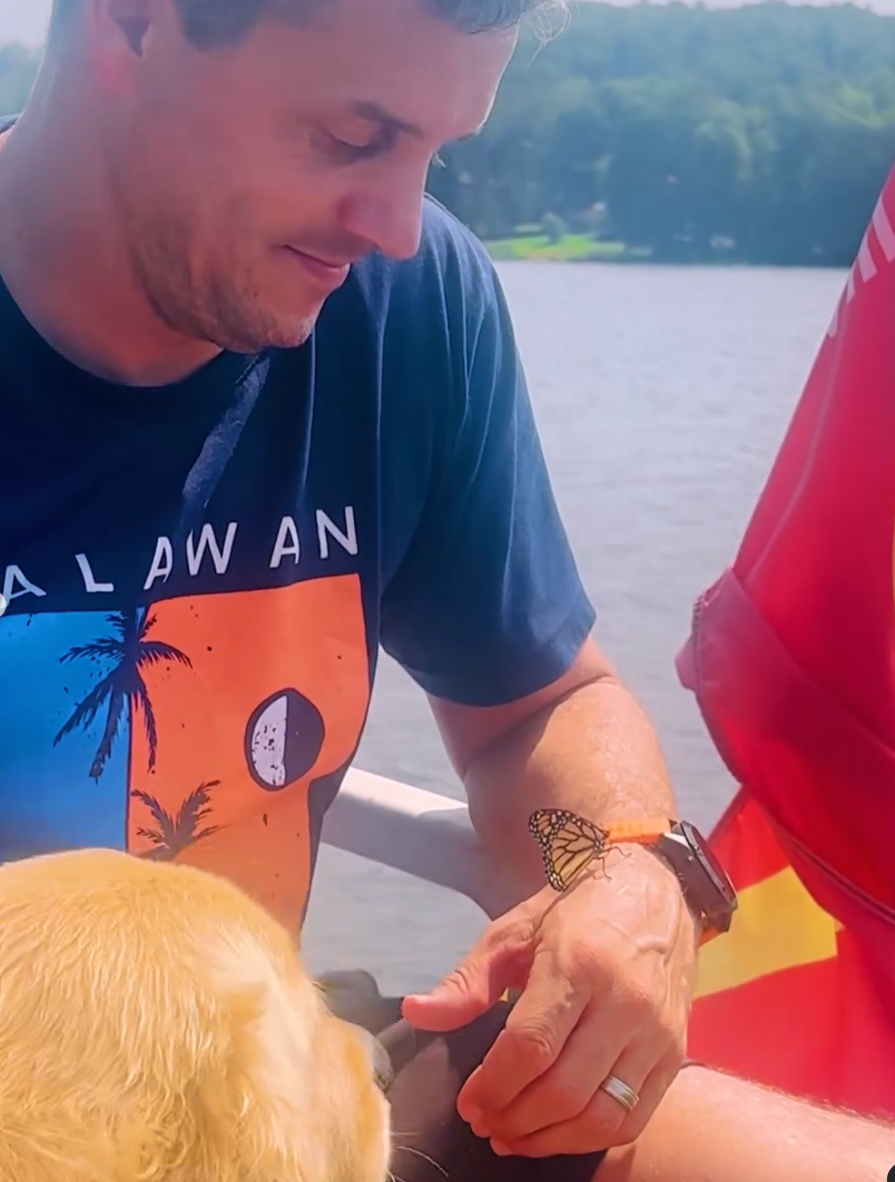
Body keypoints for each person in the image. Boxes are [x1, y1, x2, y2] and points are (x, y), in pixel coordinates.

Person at [0, 0, 729, 1177]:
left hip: (292, 1078)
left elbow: (531, 719)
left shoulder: (405, 305)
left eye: (435, 152)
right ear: (133, 23)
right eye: (352, 136)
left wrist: (623, 865)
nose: (395, 225)